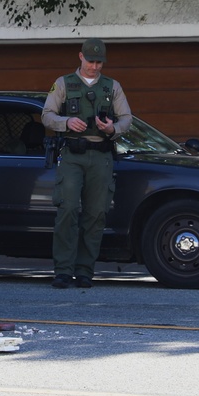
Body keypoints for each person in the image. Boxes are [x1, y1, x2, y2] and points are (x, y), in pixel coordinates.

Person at [41, 38, 133, 289]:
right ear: (80, 57)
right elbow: (46, 115)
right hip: (72, 154)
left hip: (101, 155)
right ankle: (62, 270)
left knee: (96, 214)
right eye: (91, 61)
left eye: (99, 62)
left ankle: (84, 270)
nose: (95, 67)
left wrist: (113, 128)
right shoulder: (63, 83)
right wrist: (66, 123)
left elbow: (127, 119)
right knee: (68, 210)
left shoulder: (112, 86)